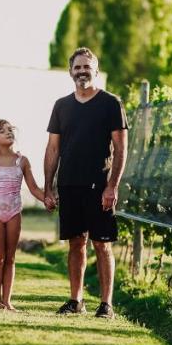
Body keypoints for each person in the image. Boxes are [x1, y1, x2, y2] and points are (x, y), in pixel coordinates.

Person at [43, 47, 128, 318]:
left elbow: (121, 148)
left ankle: (106, 304)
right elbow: (53, 149)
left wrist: (112, 185)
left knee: (102, 244)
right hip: (69, 184)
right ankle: (76, 300)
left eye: (86, 67)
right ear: (70, 72)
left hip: (99, 186)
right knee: (76, 243)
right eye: (77, 67)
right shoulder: (61, 105)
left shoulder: (111, 103)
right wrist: (48, 187)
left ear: (96, 70)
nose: (82, 72)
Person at [0, 119, 47, 311]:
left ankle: (7, 301)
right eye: (2, 131)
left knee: (10, 257)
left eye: (10, 130)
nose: (8, 133)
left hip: (14, 211)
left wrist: (47, 199)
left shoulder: (22, 161)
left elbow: (33, 188)